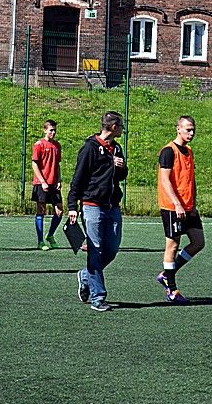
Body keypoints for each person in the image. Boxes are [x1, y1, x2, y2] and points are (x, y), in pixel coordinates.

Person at [68, 111, 127, 312]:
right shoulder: (90, 147)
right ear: (113, 127)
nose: (123, 129)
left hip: (112, 207)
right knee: (96, 251)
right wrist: (72, 206)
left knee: (111, 250)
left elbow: (121, 175)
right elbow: (78, 178)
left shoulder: (116, 148)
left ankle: (85, 276)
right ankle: (98, 297)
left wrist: (120, 167)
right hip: (92, 206)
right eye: (121, 126)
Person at [155, 116, 205, 304]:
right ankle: (172, 290)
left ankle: (167, 274)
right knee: (173, 245)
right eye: (187, 129)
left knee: (198, 242)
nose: (191, 133)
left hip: (188, 206)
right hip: (172, 206)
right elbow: (165, 180)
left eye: (193, 130)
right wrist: (177, 204)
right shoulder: (168, 151)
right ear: (178, 129)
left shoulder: (189, 151)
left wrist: (192, 204)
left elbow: (190, 179)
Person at [31, 119, 63, 251]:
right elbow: (34, 164)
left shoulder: (57, 145)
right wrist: (43, 182)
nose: (53, 133)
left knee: (59, 211)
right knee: (41, 211)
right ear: (45, 130)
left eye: (54, 130)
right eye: (51, 130)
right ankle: (40, 241)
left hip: (54, 183)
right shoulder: (39, 145)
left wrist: (59, 180)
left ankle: (50, 235)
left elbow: (57, 165)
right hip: (41, 183)